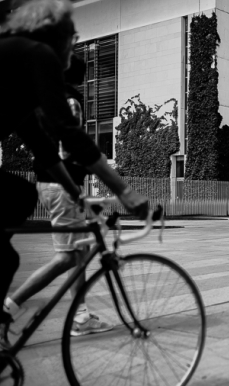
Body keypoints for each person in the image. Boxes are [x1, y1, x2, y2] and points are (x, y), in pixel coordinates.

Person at [0, 0, 148, 349]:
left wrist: (80, 195)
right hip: (55, 186)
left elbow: (43, 145)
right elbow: (69, 134)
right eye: (74, 35)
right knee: (19, 200)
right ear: (59, 34)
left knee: (14, 227)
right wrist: (125, 192)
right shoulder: (37, 54)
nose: (76, 41)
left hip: (55, 184)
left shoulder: (18, 63)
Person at [3, 55, 112, 337]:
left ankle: (81, 315)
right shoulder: (70, 100)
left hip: (54, 184)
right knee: (67, 257)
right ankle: (10, 305)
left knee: (79, 252)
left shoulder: (48, 98)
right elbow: (68, 147)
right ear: (80, 78)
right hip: (60, 185)